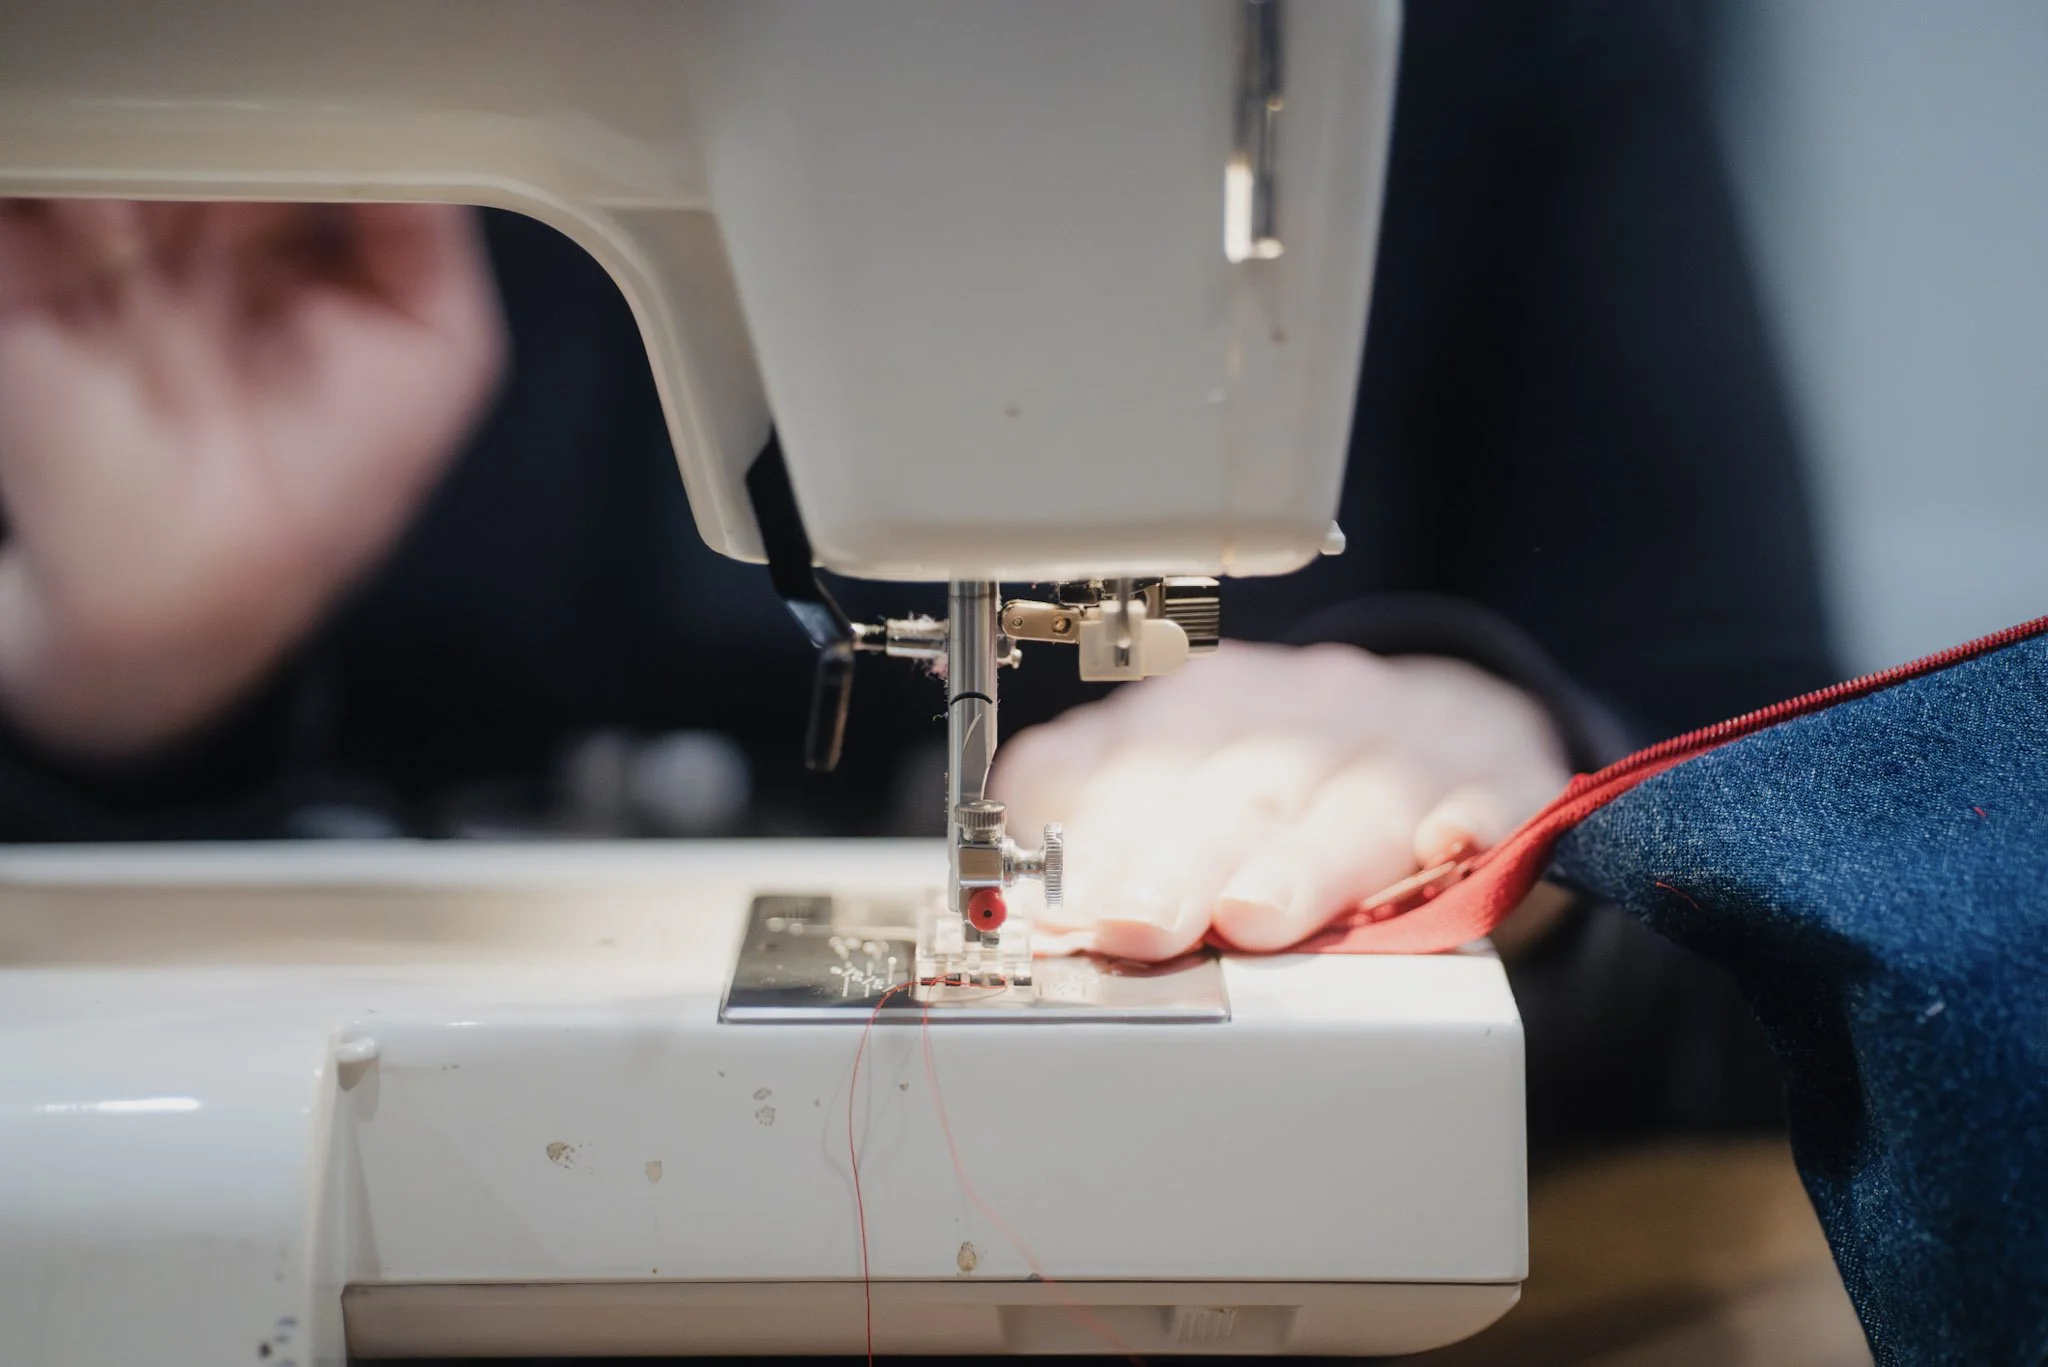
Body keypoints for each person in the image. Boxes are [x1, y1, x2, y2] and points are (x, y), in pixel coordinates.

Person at [0, 0, 1830, 1161]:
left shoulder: (1514, 46)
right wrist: (110, 710)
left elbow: (1829, 929)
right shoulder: (138, 270)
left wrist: (1529, 817)